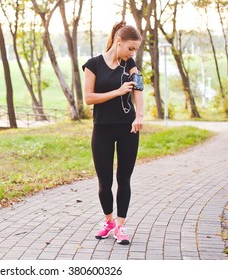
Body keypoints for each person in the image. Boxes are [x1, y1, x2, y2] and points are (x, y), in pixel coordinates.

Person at [82, 20, 144, 245]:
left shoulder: (130, 64)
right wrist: (117, 91)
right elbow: (88, 98)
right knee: (104, 181)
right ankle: (108, 220)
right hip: (102, 129)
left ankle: (120, 226)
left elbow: (139, 90)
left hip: (128, 128)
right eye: (130, 48)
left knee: (124, 179)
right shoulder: (93, 65)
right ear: (118, 43)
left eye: (135, 49)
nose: (132, 53)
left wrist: (139, 116)